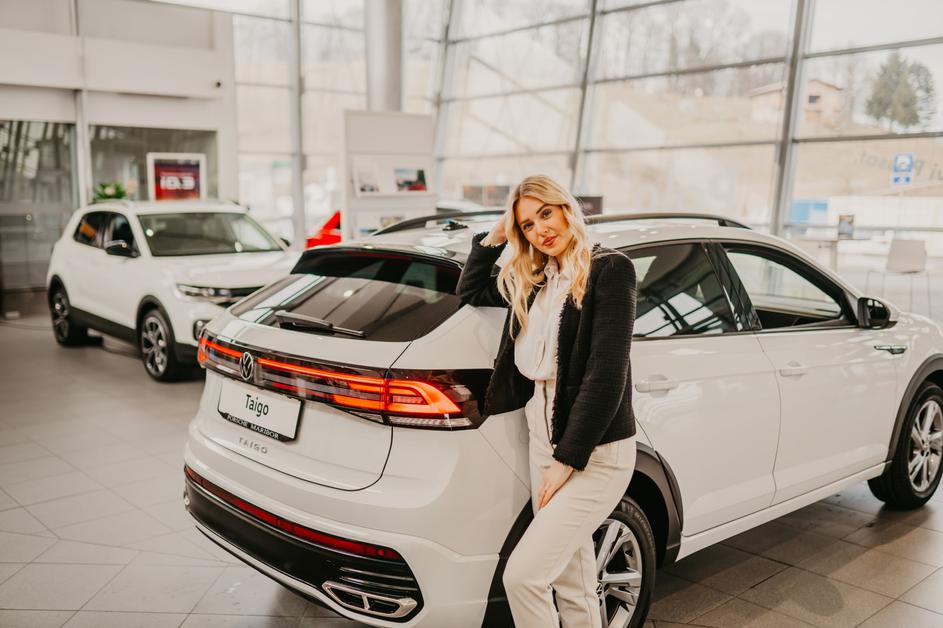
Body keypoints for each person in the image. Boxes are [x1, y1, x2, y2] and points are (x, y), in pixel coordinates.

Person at [456, 175, 638, 627]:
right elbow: (470, 289)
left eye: (545, 214)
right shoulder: (536, 278)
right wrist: (498, 234)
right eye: (528, 225)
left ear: (565, 208)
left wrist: (567, 459)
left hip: (594, 451)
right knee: (572, 580)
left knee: (524, 577)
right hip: (542, 437)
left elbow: (606, 375)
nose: (540, 230)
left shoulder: (609, 269)